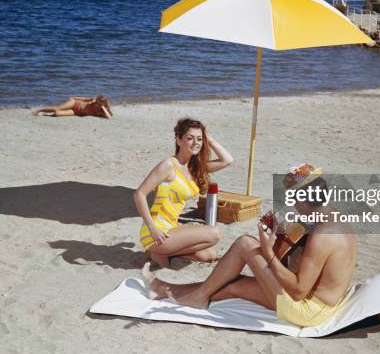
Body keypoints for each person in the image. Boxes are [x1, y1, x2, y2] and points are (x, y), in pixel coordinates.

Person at [142, 164, 357, 328]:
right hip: (319, 303)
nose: (293, 205)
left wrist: (267, 251)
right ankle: (166, 290)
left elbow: (299, 291)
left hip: (308, 311)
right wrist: (279, 237)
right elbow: (302, 264)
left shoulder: (323, 235)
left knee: (245, 244)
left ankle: (197, 297)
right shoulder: (332, 219)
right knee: (232, 285)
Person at [134, 118, 233, 268]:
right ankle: (159, 251)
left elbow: (227, 160)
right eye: (190, 138)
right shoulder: (168, 165)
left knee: (209, 256)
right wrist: (153, 229)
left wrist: (208, 138)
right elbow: (139, 194)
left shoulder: (195, 168)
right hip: (155, 232)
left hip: (172, 229)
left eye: (199, 139)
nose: (196, 143)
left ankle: (162, 253)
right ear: (179, 141)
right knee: (213, 234)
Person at [32, 96, 113, 118]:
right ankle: (39, 110)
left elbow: (109, 117)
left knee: (57, 114)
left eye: (99, 103)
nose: (96, 104)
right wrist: (74, 98)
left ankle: (43, 114)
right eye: (97, 102)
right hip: (75, 104)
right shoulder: (93, 100)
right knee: (57, 108)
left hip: (76, 112)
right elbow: (84, 98)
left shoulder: (101, 111)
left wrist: (103, 108)